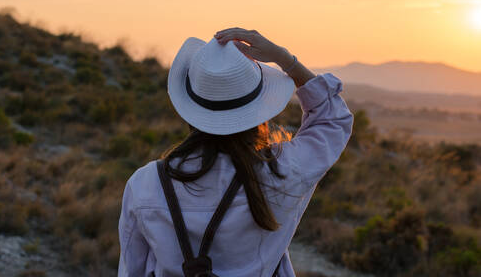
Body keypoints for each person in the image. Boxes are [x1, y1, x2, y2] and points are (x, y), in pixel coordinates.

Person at [118, 27, 354, 277]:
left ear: (191, 108)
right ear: (259, 108)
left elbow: (132, 270)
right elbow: (332, 118)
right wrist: (285, 59)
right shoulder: (284, 172)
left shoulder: (145, 184)